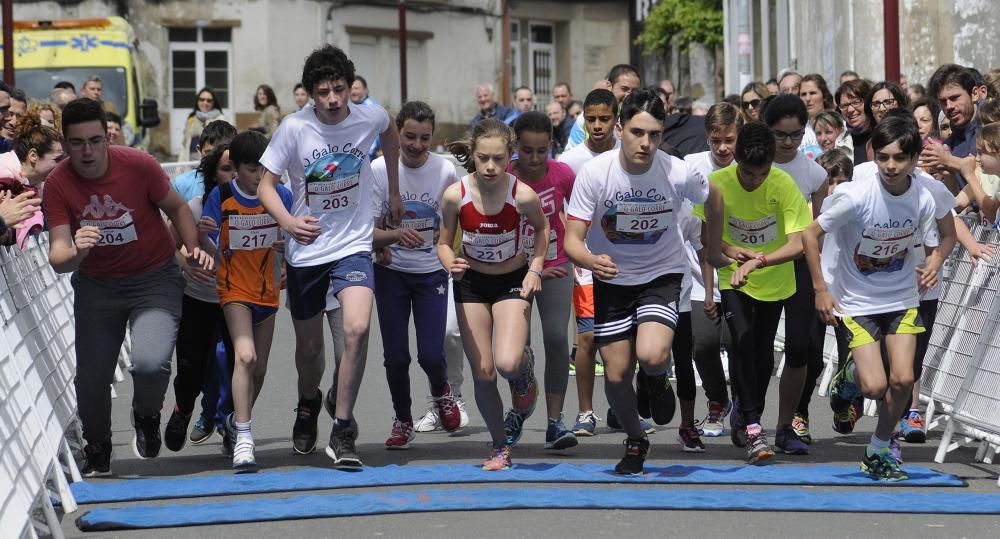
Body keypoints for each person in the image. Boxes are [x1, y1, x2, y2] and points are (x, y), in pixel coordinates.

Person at [43, 98, 212, 476]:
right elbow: (58, 259)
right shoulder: (57, 183)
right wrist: (79, 252)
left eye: (95, 140)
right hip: (98, 287)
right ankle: (98, 444)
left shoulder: (139, 165)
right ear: (65, 144)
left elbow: (179, 208)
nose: (87, 151)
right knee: (91, 378)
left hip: (154, 278)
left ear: (107, 138)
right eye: (77, 143)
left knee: (151, 364)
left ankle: (146, 415)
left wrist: (192, 247)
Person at [256, 45, 403, 469]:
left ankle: (342, 429)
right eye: (323, 92)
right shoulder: (294, 129)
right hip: (307, 251)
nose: (334, 99)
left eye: (340, 89)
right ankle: (307, 402)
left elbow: (390, 130)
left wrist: (392, 187)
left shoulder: (368, 115)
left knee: (356, 330)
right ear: (310, 94)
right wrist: (287, 222)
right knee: (309, 351)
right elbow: (267, 185)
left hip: (354, 244)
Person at [565, 88, 726, 474]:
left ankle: (655, 379)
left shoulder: (676, 169)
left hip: (661, 274)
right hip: (612, 278)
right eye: (638, 132)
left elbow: (715, 198)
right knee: (617, 375)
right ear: (619, 128)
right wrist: (590, 259)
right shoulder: (594, 173)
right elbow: (572, 239)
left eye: (655, 134)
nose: (646, 143)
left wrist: (714, 247)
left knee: (652, 355)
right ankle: (636, 439)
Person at [805, 113, 947, 480]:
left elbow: (939, 239)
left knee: (902, 381)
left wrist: (934, 261)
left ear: (914, 159)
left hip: (902, 299)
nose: (890, 165)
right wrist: (821, 289)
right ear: (874, 155)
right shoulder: (855, 196)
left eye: (899, 158)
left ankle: (879, 446)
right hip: (858, 302)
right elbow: (809, 235)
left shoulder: (923, 197)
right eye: (883, 157)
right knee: (874, 387)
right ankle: (849, 378)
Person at [695, 120, 811, 464]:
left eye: (760, 175)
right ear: (736, 160)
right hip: (734, 278)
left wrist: (758, 262)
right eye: (746, 173)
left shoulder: (783, 184)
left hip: (774, 281)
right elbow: (707, 239)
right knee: (741, 341)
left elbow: (797, 245)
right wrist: (733, 253)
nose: (753, 180)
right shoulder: (717, 184)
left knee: (762, 357)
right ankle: (754, 428)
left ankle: (748, 411)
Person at [438, 118, 549, 470]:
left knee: (507, 363)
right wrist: (449, 262)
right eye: (483, 158)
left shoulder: (523, 196)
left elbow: (543, 231)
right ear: (472, 155)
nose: (490, 166)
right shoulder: (456, 195)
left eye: (498, 159)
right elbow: (442, 243)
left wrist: (535, 268)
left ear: (510, 157)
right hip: (471, 283)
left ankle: (525, 369)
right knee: (484, 372)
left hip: (512, 281)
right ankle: (500, 445)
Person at [369, 101, 463, 449]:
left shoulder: (445, 171)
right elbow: (370, 228)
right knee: (395, 356)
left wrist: (452, 255)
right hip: (391, 272)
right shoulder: (379, 170)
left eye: (425, 138)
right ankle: (403, 419)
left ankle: (442, 392)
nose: (417, 145)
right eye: (409, 136)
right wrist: (385, 241)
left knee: (431, 354)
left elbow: (454, 223)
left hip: (430, 272)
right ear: (397, 132)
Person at [201, 131, 293, 470]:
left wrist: (290, 249)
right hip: (233, 289)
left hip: (267, 289)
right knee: (246, 354)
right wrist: (205, 237)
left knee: (260, 368)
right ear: (236, 168)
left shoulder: (281, 194)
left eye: (264, 168)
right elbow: (208, 241)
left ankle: (233, 421)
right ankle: (244, 437)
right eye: (252, 169)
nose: (259, 176)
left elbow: (296, 236)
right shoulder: (221, 196)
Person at [506, 111, 578, 450]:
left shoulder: (563, 174)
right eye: (526, 151)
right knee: (514, 349)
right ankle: (520, 403)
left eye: (542, 150)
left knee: (555, 337)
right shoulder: (503, 175)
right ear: (515, 147)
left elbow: (581, 214)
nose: (534, 159)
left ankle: (555, 421)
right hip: (512, 271)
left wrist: (582, 251)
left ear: (552, 145)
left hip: (555, 266)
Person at [760, 94, 829, 450]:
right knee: (756, 349)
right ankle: (749, 417)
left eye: (796, 134)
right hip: (758, 265)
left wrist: (821, 283)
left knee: (804, 349)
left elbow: (819, 229)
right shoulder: (754, 165)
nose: (788, 142)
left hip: (799, 265)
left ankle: (789, 422)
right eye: (780, 134)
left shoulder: (815, 173)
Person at [557, 89, 625, 436]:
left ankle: (621, 409)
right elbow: (557, 210)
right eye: (591, 119)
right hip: (585, 263)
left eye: (605, 119)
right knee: (587, 340)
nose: (598, 126)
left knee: (625, 340)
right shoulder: (570, 161)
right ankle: (586, 412)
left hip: (628, 261)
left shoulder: (631, 154)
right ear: (583, 119)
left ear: (617, 119)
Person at [165, 141, 239, 454]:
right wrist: (186, 264)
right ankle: (183, 408)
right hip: (199, 297)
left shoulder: (257, 204)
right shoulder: (194, 207)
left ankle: (233, 426)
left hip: (239, 298)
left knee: (238, 364)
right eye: (226, 169)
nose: (234, 175)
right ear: (211, 173)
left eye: (238, 167)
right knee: (192, 368)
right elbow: (168, 243)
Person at [681, 102, 743, 440]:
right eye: (715, 140)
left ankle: (741, 407)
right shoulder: (690, 167)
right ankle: (717, 399)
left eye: (729, 140)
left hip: (736, 276)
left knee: (736, 344)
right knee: (703, 345)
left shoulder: (747, 170)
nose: (722, 148)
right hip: (696, 276)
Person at [921, 64, 986, 190]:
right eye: (943, 101)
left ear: (974, 94)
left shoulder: (993, 123)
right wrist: (947, 172)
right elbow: (957, 198)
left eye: (954, 98)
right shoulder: (949, 144)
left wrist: (948, 160)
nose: (949, 106)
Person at [565, 64, 641, 151]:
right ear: (609, 86)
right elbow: (571, 156)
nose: (629, 95)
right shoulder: (584, 119)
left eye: (635, 91)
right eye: (624, 89)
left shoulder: (643, 119)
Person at [180, 87, 230, 162]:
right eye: (202, 99)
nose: (205, 103)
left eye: (209, 100)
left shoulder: (221, 119)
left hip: (210, 162)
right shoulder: (191, 118)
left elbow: (224, 145)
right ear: (198, 101)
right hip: (190, 162)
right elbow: (184, 146)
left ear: (214, 103)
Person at [836, 79, 874, 165]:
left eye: (856, 102)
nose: (850, 110)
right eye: (844, 105)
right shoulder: (840, 143)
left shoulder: (883, 135)